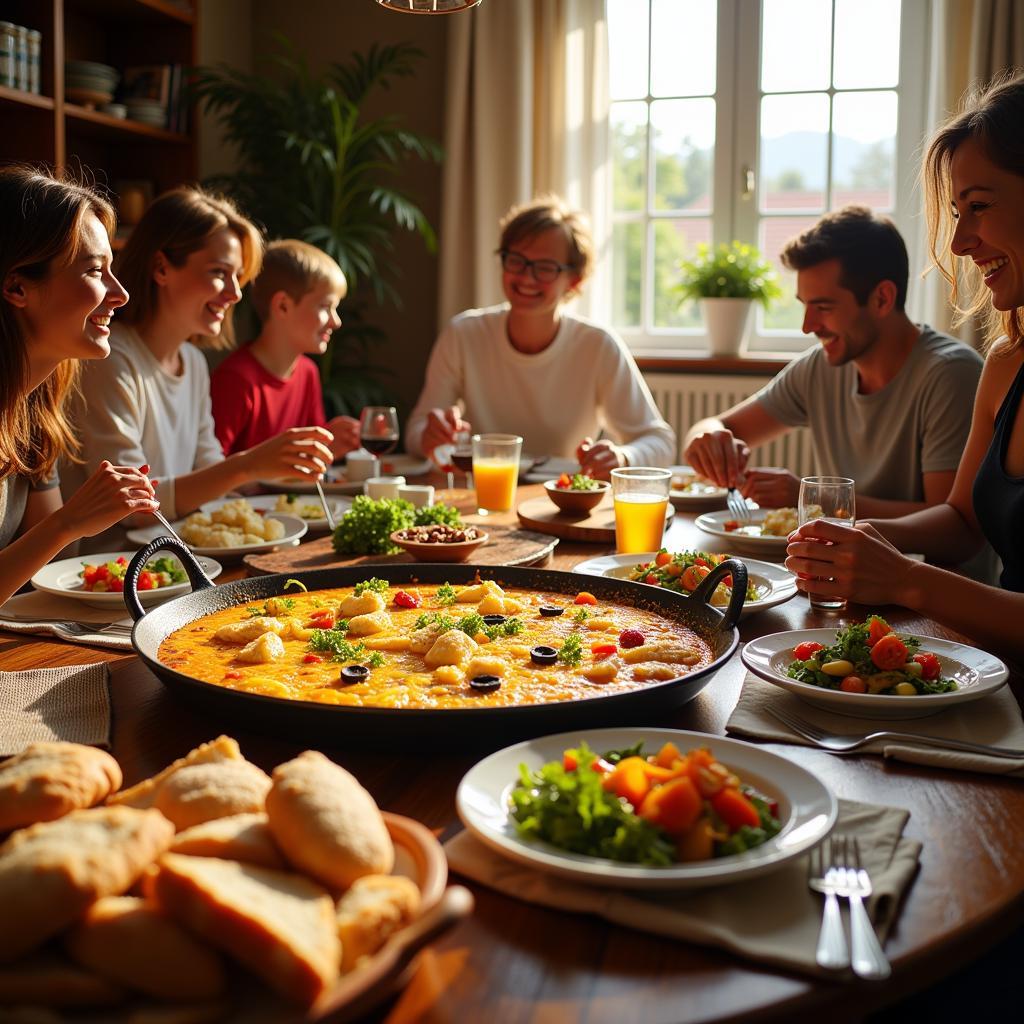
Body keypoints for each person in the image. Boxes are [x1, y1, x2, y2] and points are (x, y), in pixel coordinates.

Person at [786, 72, 1024, 659]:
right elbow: (963, 521)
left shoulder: (951, 369)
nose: (960, 242)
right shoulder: (1006, 362)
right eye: (955, 212)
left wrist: (906, 579)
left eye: (979, 206)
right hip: (991, 667)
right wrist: (863, 540)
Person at [62, 187, 334, 547]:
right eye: (220, 272)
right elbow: (131, 507)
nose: (236, 293)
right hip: (117, 574)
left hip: (185, 559)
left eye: (239, 276)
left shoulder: (193, 362)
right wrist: (247, 465)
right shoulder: (109, 360)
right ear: (161, 268)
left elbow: (211, 473)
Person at [683, 206, 984, 517]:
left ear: (882, 298)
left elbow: (949, 523)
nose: (807, 326)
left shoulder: (951, 375)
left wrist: (811, 497)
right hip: (843, 563)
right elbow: (717, 425)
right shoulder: (820, 367)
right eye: (804, 306)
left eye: (823, 307)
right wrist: (707, 438)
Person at [405, 194, 675, 479]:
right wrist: (429, 436)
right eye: (516, 260)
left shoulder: (597, 345)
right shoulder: (464, 334)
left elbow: (660, 440)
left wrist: (622, 456)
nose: (526, 278)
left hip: (562, 503)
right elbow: (417, 431)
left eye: (545, 267)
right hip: (482, 497)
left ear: (575, 280)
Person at [0, 166, 158, 605]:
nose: (120, 293)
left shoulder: (33, 409)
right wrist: (69, 522)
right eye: (94, 271)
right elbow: (56, 535)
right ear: (16, 286)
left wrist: (84, 519)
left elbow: (49, 567)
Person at [210, 239, 360, 460]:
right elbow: (211, 470)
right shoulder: (236, 379)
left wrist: (329, 447)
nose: (335, 322)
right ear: (282, 306)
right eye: (325, 307)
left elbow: (305, 466)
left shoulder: (308, 373)